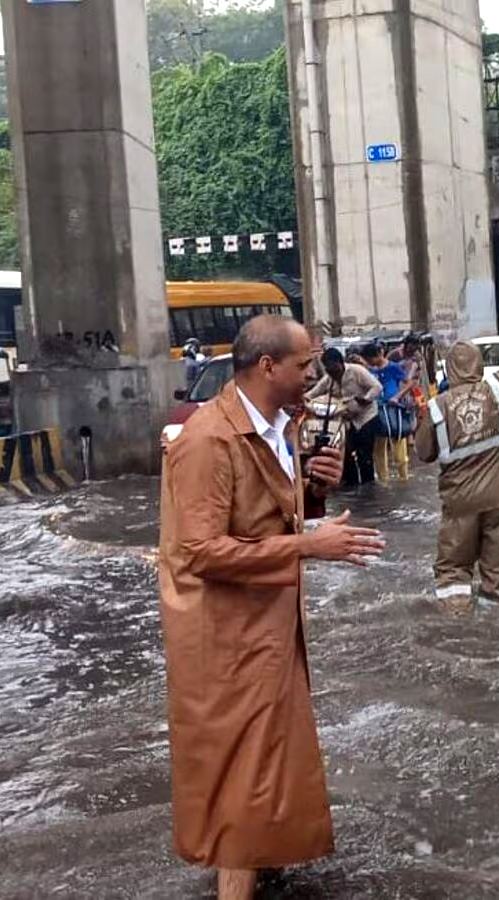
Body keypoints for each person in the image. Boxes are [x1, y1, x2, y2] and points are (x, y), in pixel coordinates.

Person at [158, 315, 385, 900]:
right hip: (227, 638)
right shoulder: (208, 440)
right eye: (304, 364)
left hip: (269, 624)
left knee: (272, 759)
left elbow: (266, 520)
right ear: (267, 367)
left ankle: (268, 863)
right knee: (243, 771)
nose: (313, 373)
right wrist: (311, 544)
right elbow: (202, 551)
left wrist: (313, 491)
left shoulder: (277, 427)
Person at [415, 322, 499, 613]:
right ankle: (495, 627)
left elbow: (423, 453)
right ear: (479, 364)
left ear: (449, 370)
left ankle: (456, 622)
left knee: (453, 570)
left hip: (460, 503)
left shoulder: (438, 407)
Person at [306, 347, 382, 487]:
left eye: (335, 369)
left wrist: (366, 398)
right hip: (346, 421)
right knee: (346, 455)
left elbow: (376, 387)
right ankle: (351, 486)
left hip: (366, 417)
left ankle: (368, 487)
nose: (333, 373)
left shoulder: (356, 371)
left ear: (341, 364)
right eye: (329, 370)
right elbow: (312, 394)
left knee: (364, 456)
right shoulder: (329, 379)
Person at [365, 343, 410, 482]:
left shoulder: (393, 367)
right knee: (379, 447)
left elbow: (409, 383)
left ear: (379, 353)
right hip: (377, 411)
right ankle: (383, 480)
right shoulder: (370, 370)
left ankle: (404, 477)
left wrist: (397, 397)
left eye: (371, 358)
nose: (371, 362)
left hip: (393, 410)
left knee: (398, 445)